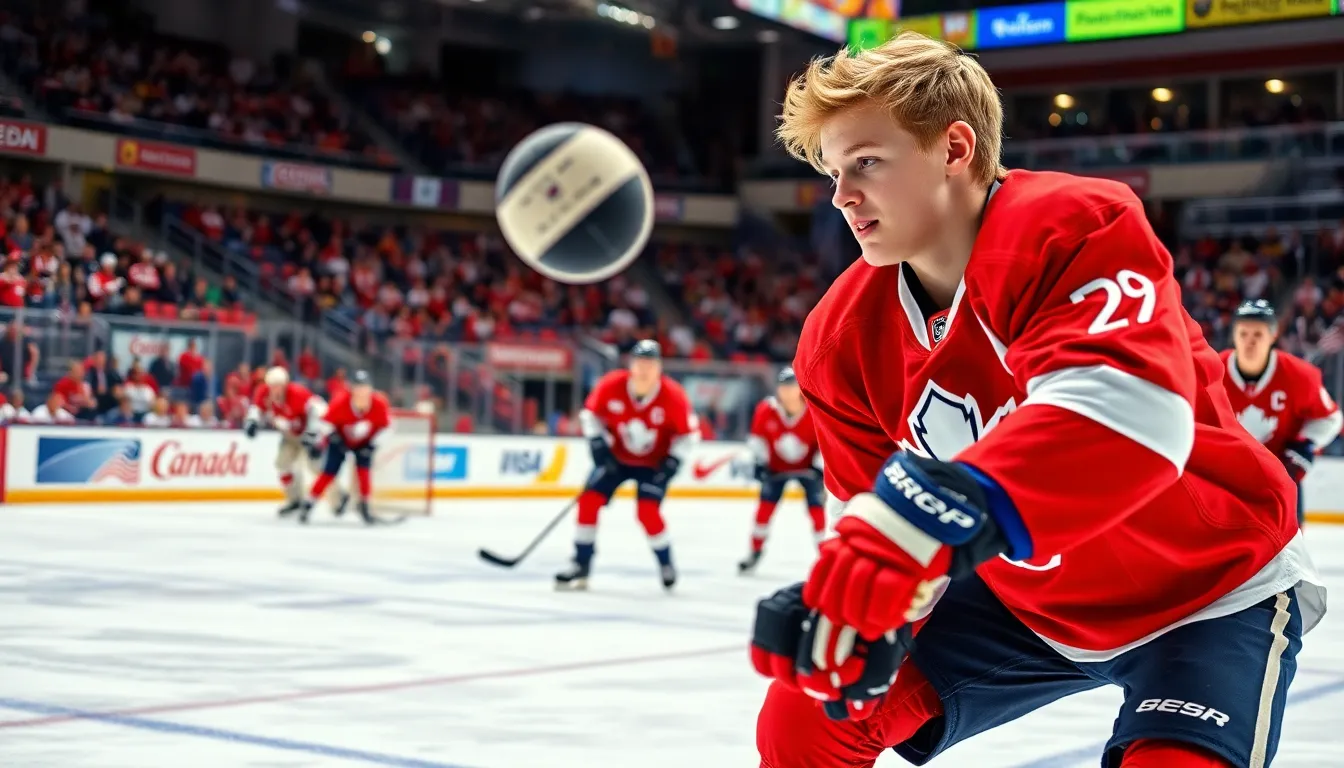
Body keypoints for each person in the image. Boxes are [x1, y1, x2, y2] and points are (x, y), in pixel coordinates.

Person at [749, 33, 1325, 768]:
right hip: (1025, 604)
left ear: (955, 148)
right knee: (809, 713)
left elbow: (1131, 416)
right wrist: (866, 609)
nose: (841, 196)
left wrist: (917, 522)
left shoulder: (1072, 222)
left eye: (866, 162)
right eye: (834, 172)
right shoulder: (837, 340)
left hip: (1207, 586)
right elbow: (878, 517)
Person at [557, 340, 699, 591]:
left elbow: (689, 434)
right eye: (640, 363)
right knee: (588, 501)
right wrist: (597, 443)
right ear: (631, 365)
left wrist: (673, 461)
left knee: (647, 512)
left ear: (659, 368)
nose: (644, 370)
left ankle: (666, 562)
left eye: (650, 364)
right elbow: (590, 415)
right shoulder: (612, 385)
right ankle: (581, 562)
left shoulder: (673, 395)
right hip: (616, 460)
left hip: (654, 465)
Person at [1221, 299, 1343, 526]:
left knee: (1290, 547)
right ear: (1234, 335)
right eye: (1243, 333)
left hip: (1281, 480)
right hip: (1225, 481)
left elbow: (1331, 417)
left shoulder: (1299, 375)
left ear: (1273, 335)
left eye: (1258, 334)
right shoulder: (1211, 372)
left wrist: (1305, 445)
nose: (1249, 342)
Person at [739, 366, 826, 574]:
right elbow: (757, 440)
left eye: (791, 387)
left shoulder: (814, 410)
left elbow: (825, 441)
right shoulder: (766, 409)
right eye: (783, 387)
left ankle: (826, 556)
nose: (787, 392)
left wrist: (819, 466)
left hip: (808, 469)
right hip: (775, 469)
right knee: (764, 510)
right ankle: (755, 551)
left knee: (817, 511)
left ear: (800, 389)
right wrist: (760, 463)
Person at [243, 366, 344, 517]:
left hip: (307, 435)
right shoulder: (263, 392)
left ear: (285, 385)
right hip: (289, 436)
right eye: (273, 386)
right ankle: (294, 499)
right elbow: (257, 408)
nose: (276, 390)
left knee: (316, 468)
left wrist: (315, 435)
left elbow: (320, 409)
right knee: (282, 465)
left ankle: (339, 497)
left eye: (279, 386)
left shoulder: (297, 393)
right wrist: (252, 421)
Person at [299, 370, 390, 525]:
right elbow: (325, 423)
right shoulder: (341, 402)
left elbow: (387, 428)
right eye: (358, 387)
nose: (361, 392)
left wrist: (372, 445)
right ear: (352, 389)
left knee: (363, 472)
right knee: (328, 472)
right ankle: (309, 503)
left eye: (364, 387)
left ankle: (365, 505)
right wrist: (331, 439)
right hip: (340, 441)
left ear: (370, 389)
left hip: (364, 444)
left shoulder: (379, 404)